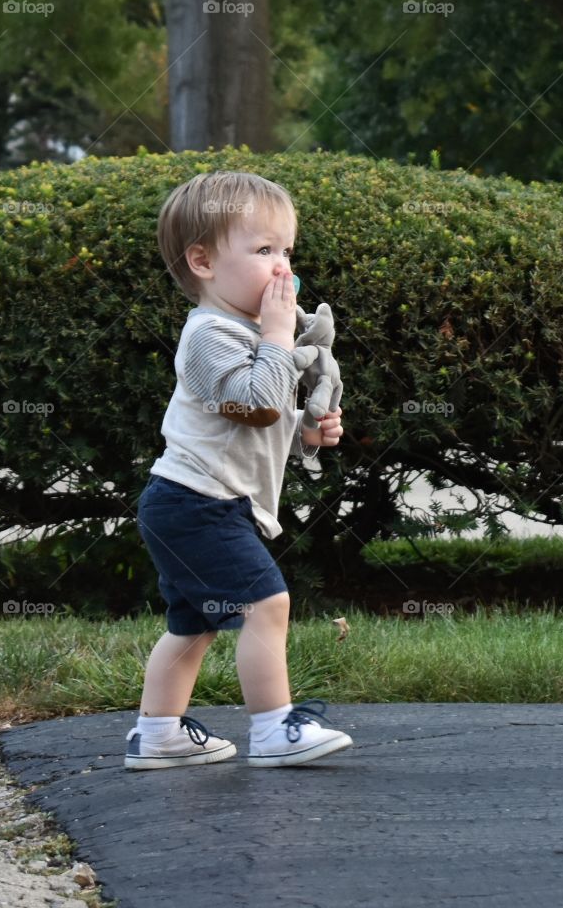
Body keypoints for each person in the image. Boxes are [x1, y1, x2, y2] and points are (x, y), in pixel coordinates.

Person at [124, 170, 353, 770]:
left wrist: (310, 431)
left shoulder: (246, 333)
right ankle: (275, 728)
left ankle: (157, 734)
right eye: (263, 251)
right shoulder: (209, 336)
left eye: (286, 252)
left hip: (194, 502)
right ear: (201, 261)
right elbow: (253, 406)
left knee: (194, 624)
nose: (283, 269)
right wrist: (279, 336)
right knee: (264, 605)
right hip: (195, 502)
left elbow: (269, 418)